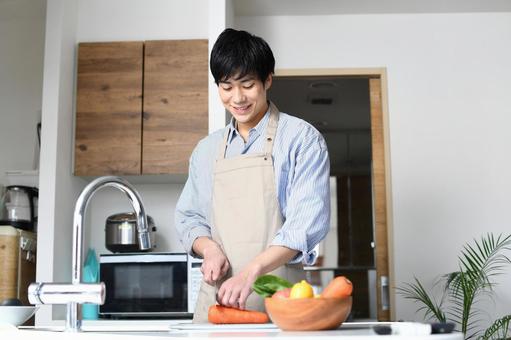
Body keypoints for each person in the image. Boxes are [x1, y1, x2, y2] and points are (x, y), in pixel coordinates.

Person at [175, 28, 330, 323]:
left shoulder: (302, 139)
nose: (238, 98)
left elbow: (304, 225)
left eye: (247, 84)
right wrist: (208, 249)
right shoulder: (206, 151)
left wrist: (250, 273)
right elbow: (189, 218)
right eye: (227, 86)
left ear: (267, 80)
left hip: (282, 301)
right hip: (217, 303)